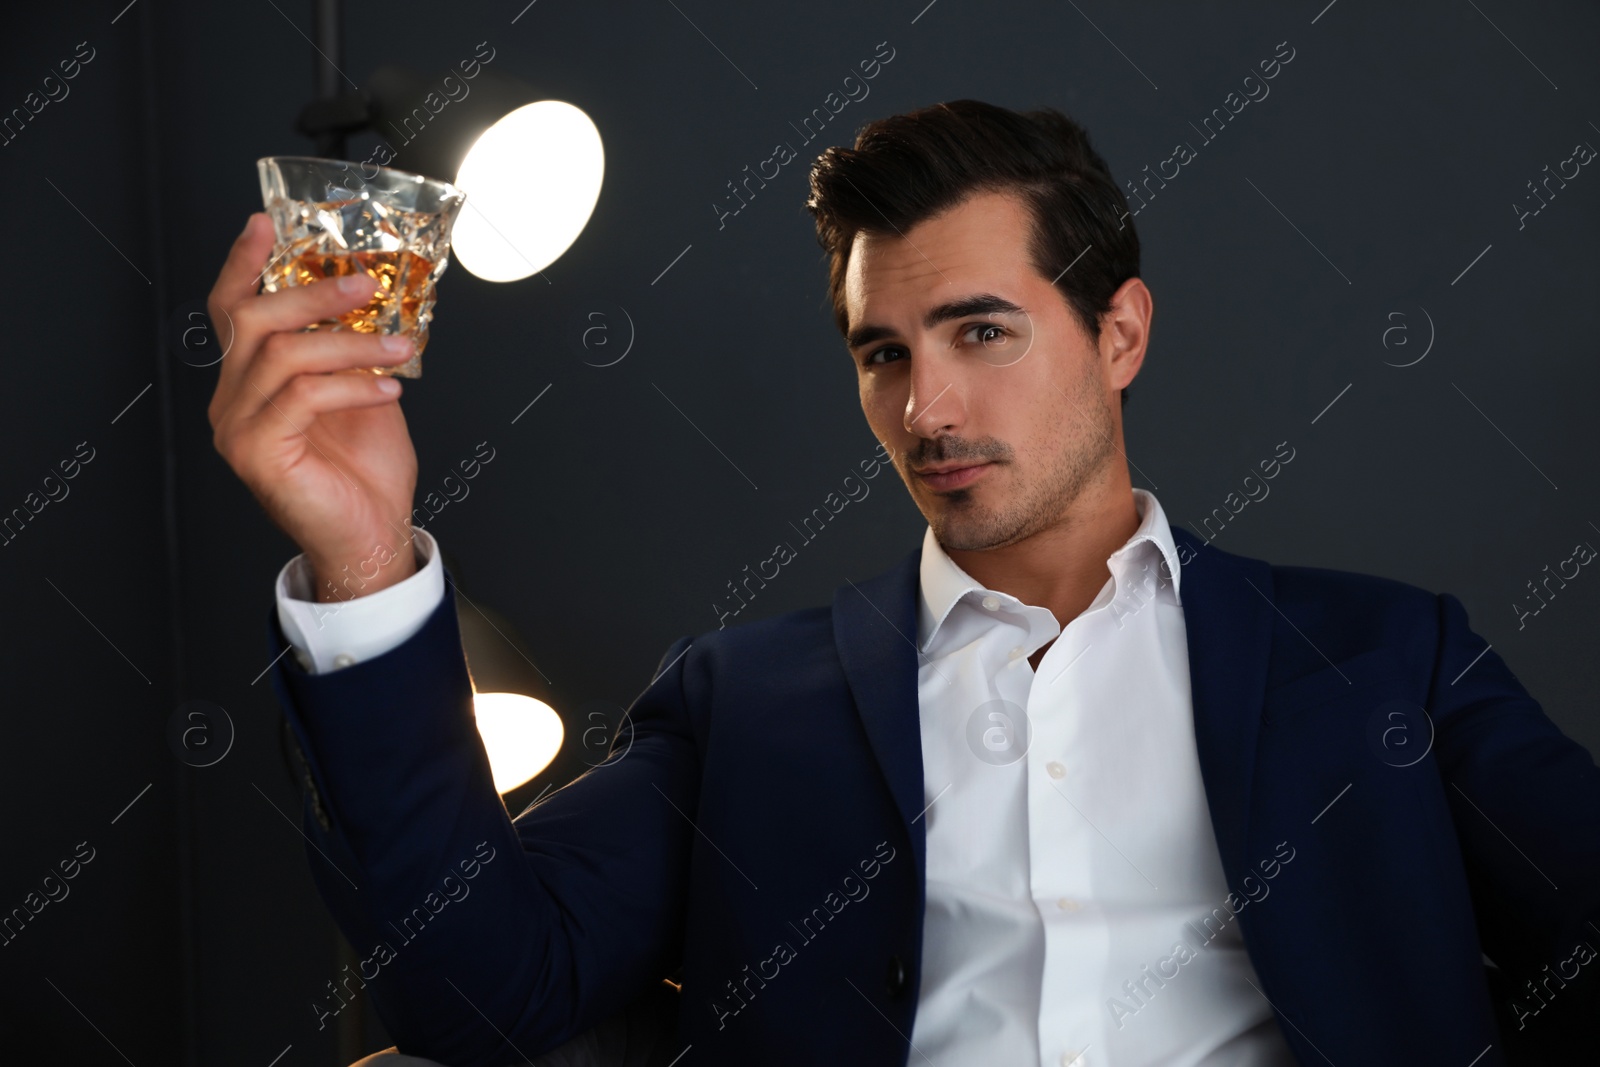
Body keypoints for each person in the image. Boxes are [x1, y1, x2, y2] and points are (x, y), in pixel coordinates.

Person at [208, 100, 1600, 1067]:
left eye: (980, 330)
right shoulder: (747, 704)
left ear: (1120, 333)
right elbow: (481, 995)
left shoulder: (1381, 657)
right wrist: (362, 551)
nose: (927, 405)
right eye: (883, 354)